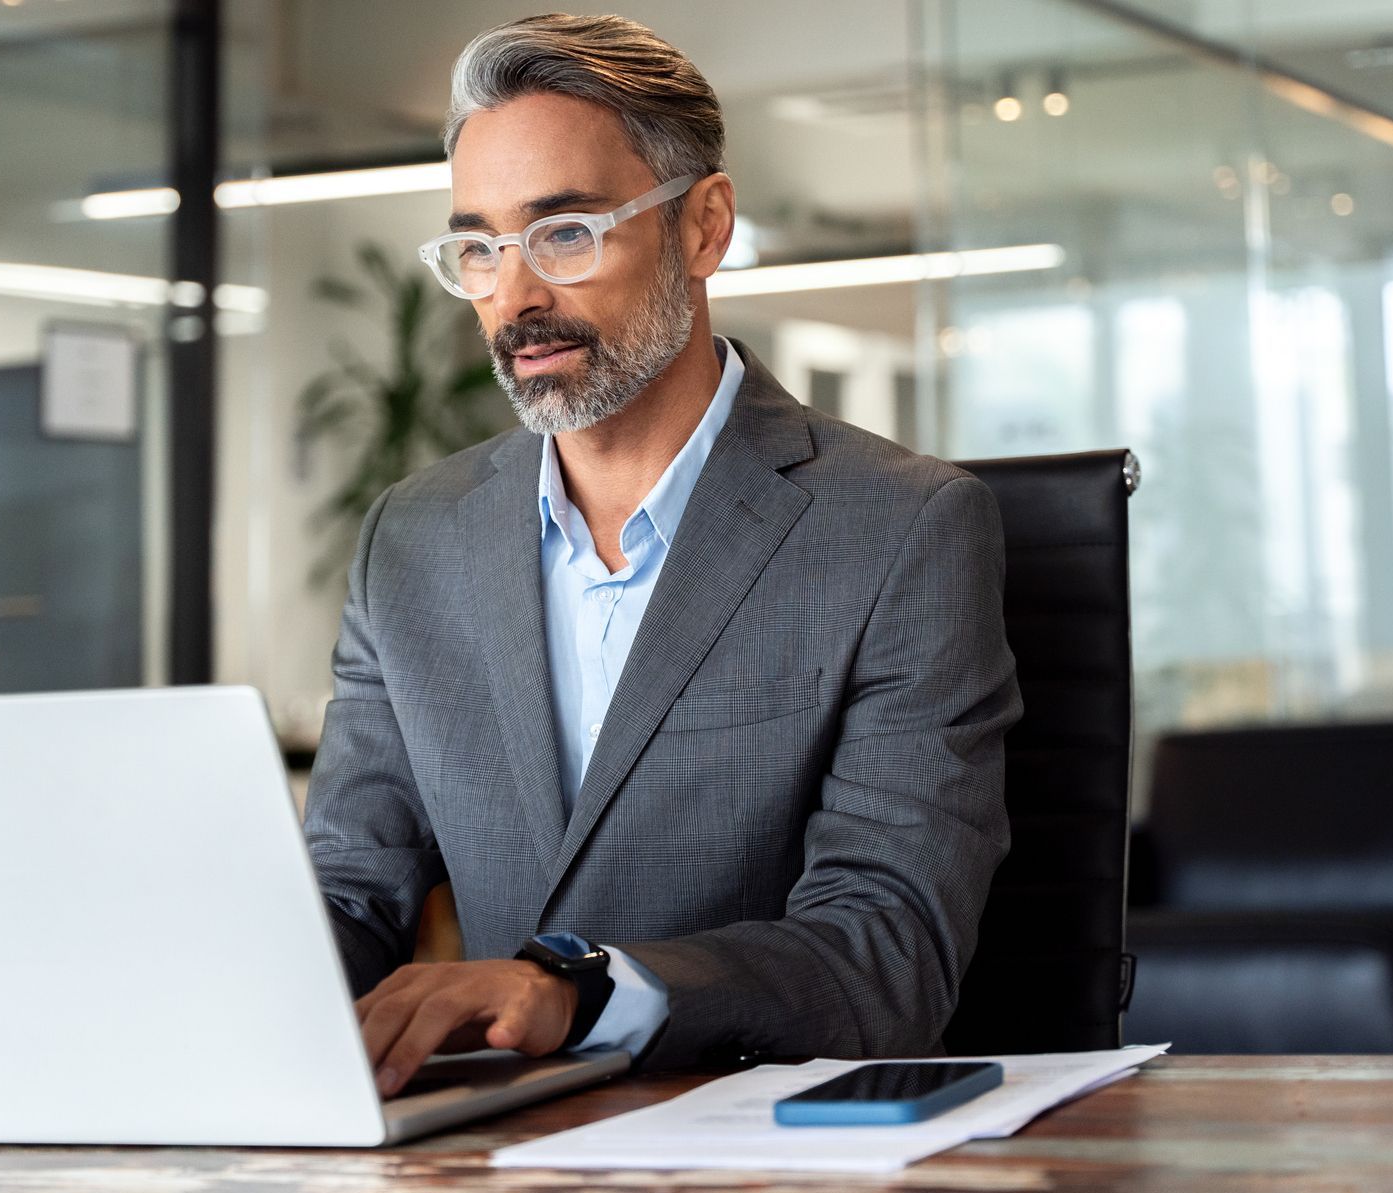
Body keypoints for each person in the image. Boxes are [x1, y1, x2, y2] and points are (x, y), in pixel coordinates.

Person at [303, 13, 1020, 1094]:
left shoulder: (900, 530)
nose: (516, 295)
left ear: (703, 227)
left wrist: (580, 991)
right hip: (501, 1153)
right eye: (481, 247)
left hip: (772, 1145)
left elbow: (887, 949)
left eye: (566, 233)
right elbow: (352, 890)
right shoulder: (413, 540)